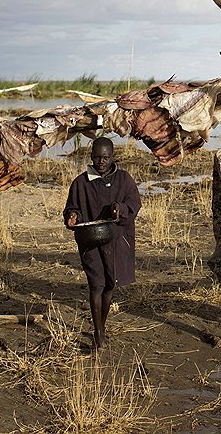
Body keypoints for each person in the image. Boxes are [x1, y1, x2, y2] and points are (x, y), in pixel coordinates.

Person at [64, 137, 141, 351]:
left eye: (105, 158)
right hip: (90, 240)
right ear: (91, 157)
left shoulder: (124, 179)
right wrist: (72, 216)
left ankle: (102, 326)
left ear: (113, 157)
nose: (101, 162)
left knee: (110, 285)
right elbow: (72, 207)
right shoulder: (81, 182)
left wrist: (120, 209)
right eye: (97, 157)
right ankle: (98, 334)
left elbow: (134, 203)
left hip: (117, 240)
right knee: (96, 284)